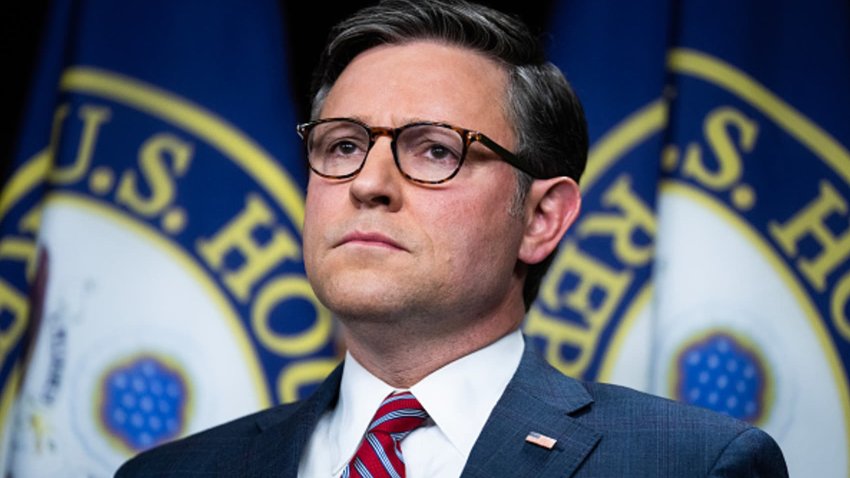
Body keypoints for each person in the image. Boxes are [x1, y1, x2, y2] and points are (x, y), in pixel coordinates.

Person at [117, 0, 788, 476]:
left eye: (435, 151)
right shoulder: (175, 472)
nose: (368, 184)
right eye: (343, 144)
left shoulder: (688, 464)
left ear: (541, 218)